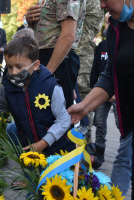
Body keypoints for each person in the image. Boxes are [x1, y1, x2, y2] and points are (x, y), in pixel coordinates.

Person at [68, 0, 134, 196]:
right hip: (129, 119)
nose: (102, 5)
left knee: (123, 159)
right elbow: (110, 76)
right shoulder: (115, 29)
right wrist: (84, 106)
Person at [26, 0, 85, 109]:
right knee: (39, 116)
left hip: (56, 60)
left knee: (56, 119)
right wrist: (31, 22)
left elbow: (68, 36)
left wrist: (45, 75)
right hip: (48, 59)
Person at [89, 12, 119, 170]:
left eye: (111, 22)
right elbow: (95, 69)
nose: (108, 26)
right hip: (102, 92)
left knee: (121, 124)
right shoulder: (101, 46)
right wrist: (94, 85)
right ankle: (99, 153)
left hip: (119, 93)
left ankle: (124, 155)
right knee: (99, 122)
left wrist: (114, 93)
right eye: (106, 23)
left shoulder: (122, 43)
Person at [75, 0, 104, 134]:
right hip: (61, 54)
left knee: (83, 97)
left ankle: (84, 142)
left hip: (81, 56)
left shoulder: (92, 2)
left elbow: (92, 25)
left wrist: (68, 48)